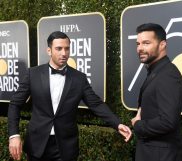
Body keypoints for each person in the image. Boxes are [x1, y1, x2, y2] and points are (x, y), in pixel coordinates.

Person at [8, 31, 132, 161]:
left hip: (65, 147)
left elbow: (96, 104)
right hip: (37, 145)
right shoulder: (33, 74)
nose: (64, 53)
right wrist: (14, 135)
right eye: (59, 49)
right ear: (49, 51)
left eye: (67, 48)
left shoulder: (79, 78)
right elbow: (15, 104)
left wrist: (117, 124)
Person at [131, 23, 182, 161]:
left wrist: (138, 125)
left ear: (162, 45)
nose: (140, 48)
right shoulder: (156, 71)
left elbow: (168, 121)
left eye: (146, 43)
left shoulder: (168, 74)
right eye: (138, 44)